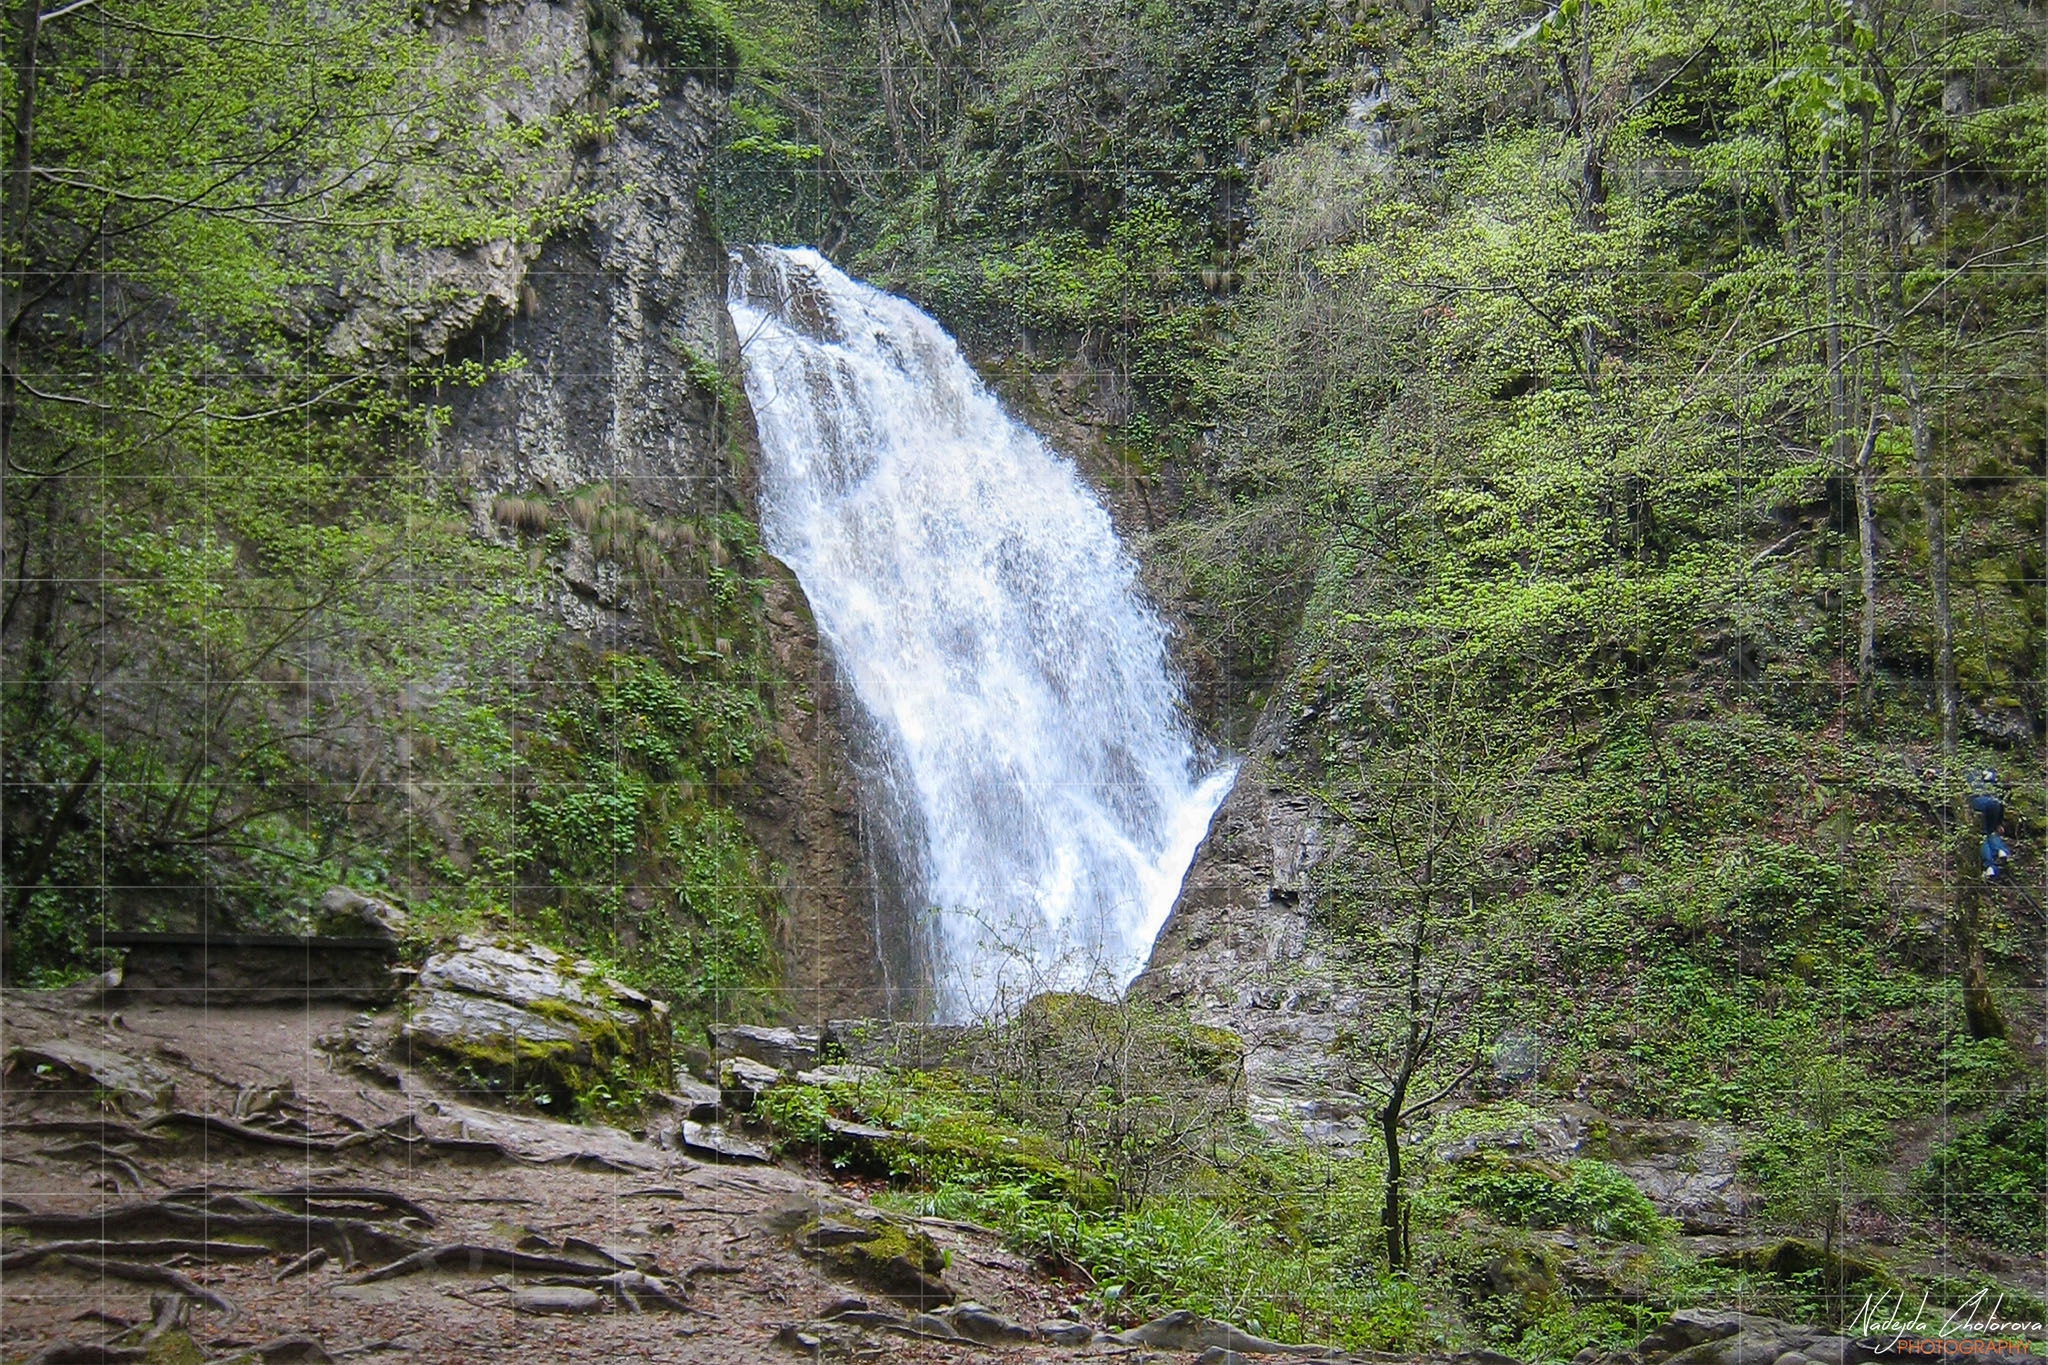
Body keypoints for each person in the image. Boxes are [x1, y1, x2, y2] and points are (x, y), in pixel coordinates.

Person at [1967, 769, 2006, 836]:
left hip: (1989, 801)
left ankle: (1989, 833)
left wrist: (1999, 823)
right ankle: (1986, 834)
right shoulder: (1967, 770)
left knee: (1994, 803)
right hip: (1976, 800)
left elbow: (1999, 794)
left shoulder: (1988, 769)